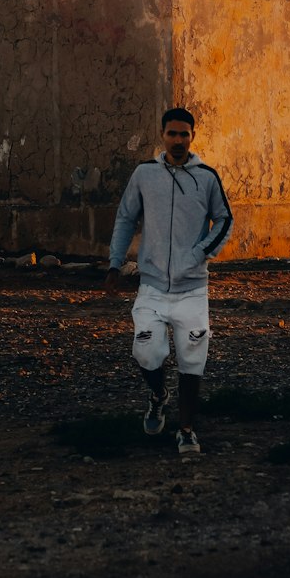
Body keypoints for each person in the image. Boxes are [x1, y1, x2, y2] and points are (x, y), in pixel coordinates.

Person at [104, 107, 232, 454]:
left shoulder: (206, 177)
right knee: (146, 352)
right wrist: (115, 264)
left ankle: (186, 429)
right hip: (153, 286)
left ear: (193, 136)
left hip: (192, 289)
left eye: (184, 134)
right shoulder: (145, 175)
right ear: (162, 135)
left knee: (193, 361)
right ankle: (158, 395)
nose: (178, 140)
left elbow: (224, 220)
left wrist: (197, 255)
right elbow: (126, 218)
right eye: (172, 134)